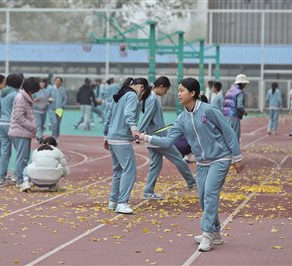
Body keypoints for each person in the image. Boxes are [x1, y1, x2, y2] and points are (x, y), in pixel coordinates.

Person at [138, 77, 244, 252]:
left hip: (220, 158)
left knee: (210, 194)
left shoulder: (209, 111)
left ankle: (207, 234)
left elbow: (229, 132)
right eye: (178, 90)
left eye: (181, 91)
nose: (178, 94)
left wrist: (237, 157)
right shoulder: (181, 119)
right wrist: (144, 137)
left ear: (192, 93)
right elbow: (167, 141)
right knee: (203, 198)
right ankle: (216, 232)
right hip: (202, 162)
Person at [138, 76, 196, 200]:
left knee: (156, 164)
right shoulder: (152, 98)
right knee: (179, 159)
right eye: (166, 90)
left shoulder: (153, 97)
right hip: (157, 138)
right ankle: (192, 183)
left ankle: (148, 191)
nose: (166, 93)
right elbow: (147, 117)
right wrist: (139, 133)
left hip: (152, 137)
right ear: (162, 87)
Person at [103, 77, 147, 214]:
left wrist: (106, 135)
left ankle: (113, 201)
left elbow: (108, 116)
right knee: (130, 170)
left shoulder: (119, 96)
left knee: (118, 171)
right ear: (141, 87)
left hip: (112, 137)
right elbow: (129, 114)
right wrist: (134, 130)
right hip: (121, 139)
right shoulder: (132, 96)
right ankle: (122, 203)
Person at [8, 77, 39, 189]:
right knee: (22, 157)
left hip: (21, 131)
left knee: (23, 156)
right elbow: (19, 116)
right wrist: (32, 127)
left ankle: (20, 178)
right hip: (20, 132)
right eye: (34, 90)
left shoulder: (25, 97)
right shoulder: (21, 98)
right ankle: (20, 180)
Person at [0, 73, 22, 185]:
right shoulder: (16, 95)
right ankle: (16, 175)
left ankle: (0, 177)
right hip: (12, 125)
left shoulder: (2, 93)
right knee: (20, 151)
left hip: (1, 124)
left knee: (5, 152)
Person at [223, 74, 249, 142]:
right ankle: (235, 152)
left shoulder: (230, 90)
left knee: (228, 135)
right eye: (245, 83)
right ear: (242, 83)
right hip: (234, 116)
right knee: (235, 137)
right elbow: (239, 105)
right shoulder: (239, 92)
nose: (246, 85)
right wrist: (244, 111)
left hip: (226, 116)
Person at [33, 78, 49, 144]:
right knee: (39, 124)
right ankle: (38, 137)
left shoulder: (46, 91)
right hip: (36, 110)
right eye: (41, 82)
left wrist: (49, 101)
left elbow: (48, 99)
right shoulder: (35, 91)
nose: (42, 84)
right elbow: (31, 99)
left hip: (44, 110)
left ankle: (40, 136)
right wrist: (35, 100)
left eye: (43, 83)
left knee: (42, 125)